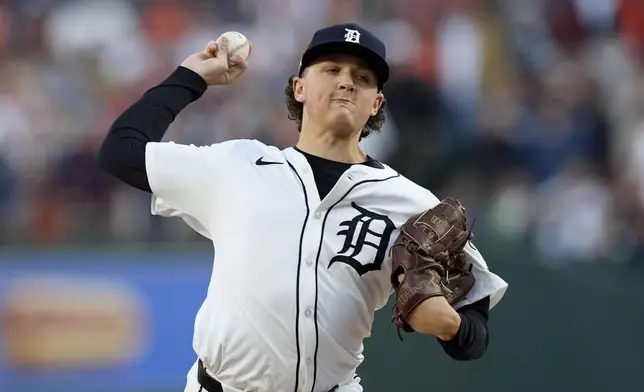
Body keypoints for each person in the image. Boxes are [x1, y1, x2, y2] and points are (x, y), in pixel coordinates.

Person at [98, 23, 508, 392]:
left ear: (376, 104)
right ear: (299, 88)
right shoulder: (235, 167)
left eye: (362, 78)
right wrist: (190, 78)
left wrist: (449, 324)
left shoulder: (412, 203)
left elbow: (475, 333)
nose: (347, 82)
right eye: (332, 70)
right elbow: (121, 151)